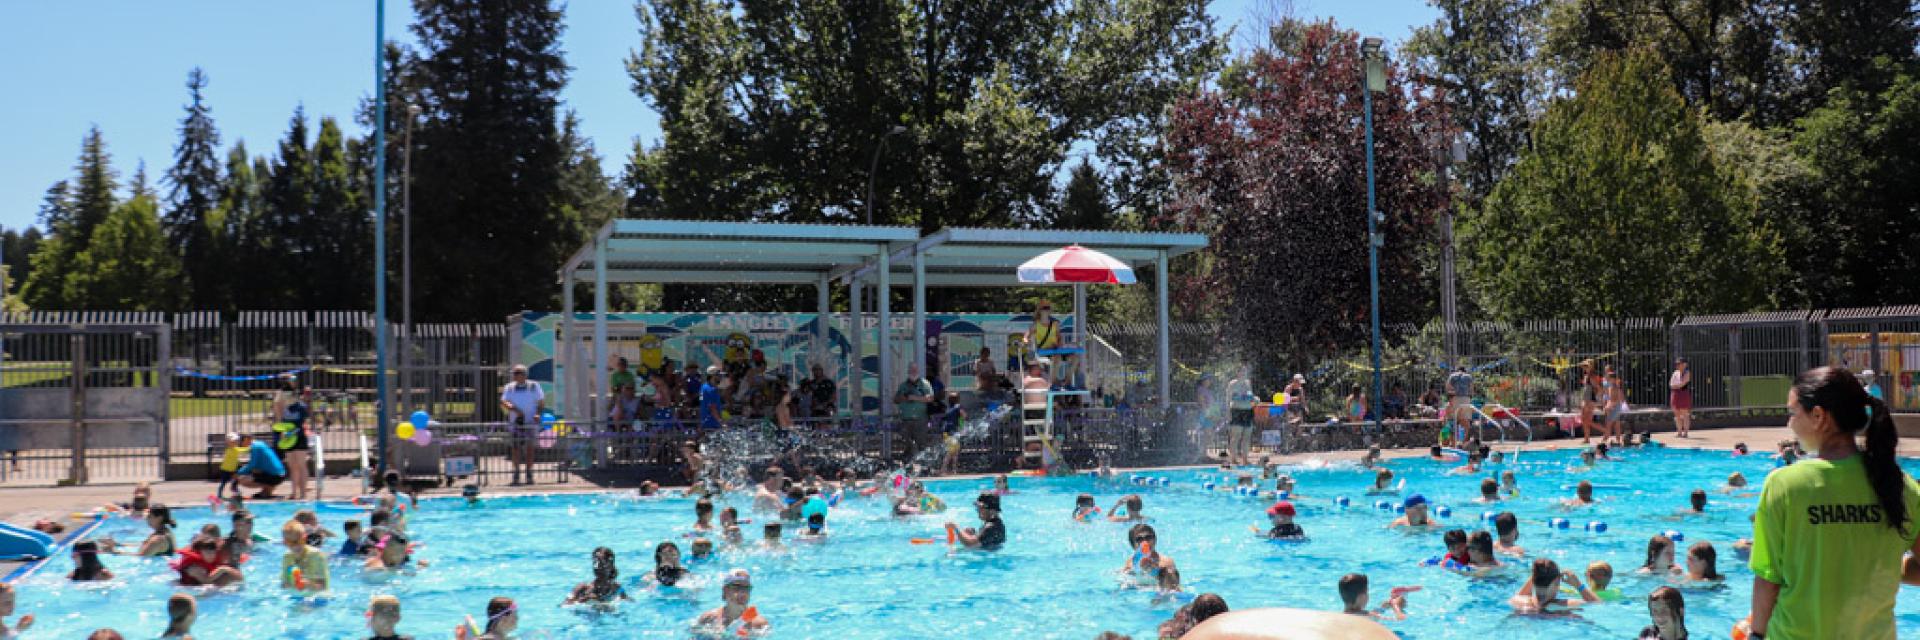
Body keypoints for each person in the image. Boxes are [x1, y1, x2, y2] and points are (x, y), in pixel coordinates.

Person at [1741, 367, 1920, 640]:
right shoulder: (1901, 485)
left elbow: (1768, 579)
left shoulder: (1785, 485)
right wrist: (1877, 567)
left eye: (1792, 413)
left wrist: (1756, 635)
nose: (1789, 424)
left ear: (1818, 416)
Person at [269, 376, 315, 500]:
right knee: (293, 465)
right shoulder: (283, 407)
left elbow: (303, 419)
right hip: (288, 438)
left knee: (301, 464)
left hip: (299, 436)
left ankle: (303, 493)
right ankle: (294, 492)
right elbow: (278, 417)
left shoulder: (300, 406)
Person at [498, 363, 544, 485]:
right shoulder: (509, 387)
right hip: (516, 424)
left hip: (530, 423)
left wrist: (538, 414)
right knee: (516, 448)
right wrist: (514, 409)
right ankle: (516, 472)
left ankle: (529, 472)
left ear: (524, 375)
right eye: (514, 373)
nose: (515, 375)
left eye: (517, 373)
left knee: (530, 448)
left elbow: (541, 403)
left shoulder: (534, 386)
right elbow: (503, 401)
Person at [1510, 558, 1596, 614]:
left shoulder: (1517, 601)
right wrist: (1578, 585)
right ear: (1556, 582)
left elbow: (1521, 594)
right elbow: (1597, 603)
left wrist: (1536, 574)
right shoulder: (1563, 605)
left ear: (1533, 580)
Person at [697, 569, 769, 635]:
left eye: (746, 588)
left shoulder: (759, 624)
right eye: (736, 588)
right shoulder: (709, 618)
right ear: (725, 591)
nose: (742, 593)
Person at [893, 365, 935, 461]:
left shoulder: (925, 384)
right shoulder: (903, 385)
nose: (913, 372)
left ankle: (922, 463)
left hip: (920, 419)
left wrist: (914, 397)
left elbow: (930, 398)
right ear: (908, 372)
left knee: (921, 443)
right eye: (911, 370)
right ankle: (909, 463)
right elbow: (896, 399)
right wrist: (904, 398)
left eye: (915, 370)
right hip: (906, 419)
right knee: (908, 443)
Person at [232, 432, 287, 499]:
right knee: (255, 471)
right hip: (280, 474)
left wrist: (238, 473)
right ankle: (267, 491)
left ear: (246, 439)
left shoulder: (255, 447)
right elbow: (256, 465)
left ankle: (269, 487)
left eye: (241, 442)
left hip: (275, 476)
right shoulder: (260, 444)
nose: (241, 445)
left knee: (242, 480)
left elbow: (252, 464)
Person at [279, 521, 329, 593]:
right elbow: (284, 583)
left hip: (318, 598)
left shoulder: (316, 555)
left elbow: (323, 587)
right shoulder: (287, 557)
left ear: (304, 538)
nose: (295, 546)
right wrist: (287, 585)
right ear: (284, 543)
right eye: (290, 543)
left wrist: (308, 584)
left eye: (298, 541)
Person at [172, 535, 241, 587]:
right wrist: (223, 569)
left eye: (213, 552)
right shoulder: (195, 567)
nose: (211, 555)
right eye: (207, 552)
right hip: (186, 586)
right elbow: (206, 581)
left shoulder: (215, 560)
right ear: (200, 553)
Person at [1338, 573, 1408, 621]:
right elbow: (1400, 619)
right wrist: (1396, 606)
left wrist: (1383, 607)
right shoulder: (1367, 617)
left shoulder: (1342, 616)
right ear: (1361, 597)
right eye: (1367, 592)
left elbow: (1371, 616)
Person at [1224, 366, 1255, 466]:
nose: (1243, 373)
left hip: (1248, 411)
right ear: (1237, 373)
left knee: (1247, 436)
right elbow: (1228, 400)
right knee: (1236, 436)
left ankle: (1245, 459)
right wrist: (1228, 413)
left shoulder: (1248, 383)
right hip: (1236, 411)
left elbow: (1250, 396)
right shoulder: (1232, 384)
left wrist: (1254, 400)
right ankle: (1233, 459)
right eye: (1241, 371)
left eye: (1244, 371)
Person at [1445, 366, 1473, 448]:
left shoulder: (1452, 376)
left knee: (1454, 422)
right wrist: (1469, 398)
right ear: (1465, 371)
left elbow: (1448, 388)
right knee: (1466, 423)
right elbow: (1471, 389)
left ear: (1457, 370)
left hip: (1455, 398)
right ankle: (1464, 442)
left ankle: (1453, 443)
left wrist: (1451, 396)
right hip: (1466, 399)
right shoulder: (1468, 377)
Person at [938, 391, 965, 476]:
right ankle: (943, 469)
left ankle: (953, 470)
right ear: (958, 400)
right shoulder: (958, 407)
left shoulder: (947, 409)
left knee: (954, 451)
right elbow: (963, 416)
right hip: (952, 432)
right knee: (951, 452)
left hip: (946, 432)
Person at [1669, 358, 1693, 438]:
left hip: (1683, 394)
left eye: (1679, 364)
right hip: (1675, 394)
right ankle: (1679, 432)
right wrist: (1676, 386)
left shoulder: (1687, 372)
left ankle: (1685, 433)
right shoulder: (1675, 373)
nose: (1677, 365)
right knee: (1677, 414)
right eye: (1677, 364)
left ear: (1684, 364)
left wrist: (1676, 386)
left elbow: (1683, 384)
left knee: (1685, 414)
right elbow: (1671, 384)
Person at [1603, 369, 1628, 446]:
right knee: (1616, 424)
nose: (1606, 378)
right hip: (1616, 407)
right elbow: (1621, 399)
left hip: (1614, 408)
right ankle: (1618, 440)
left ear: (1613, 379)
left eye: (1608, 377)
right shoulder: (1615, 387)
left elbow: (1616, 399)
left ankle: (1603, 441)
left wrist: (1608, 407)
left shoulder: (1613, 387)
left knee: (1609, 425)